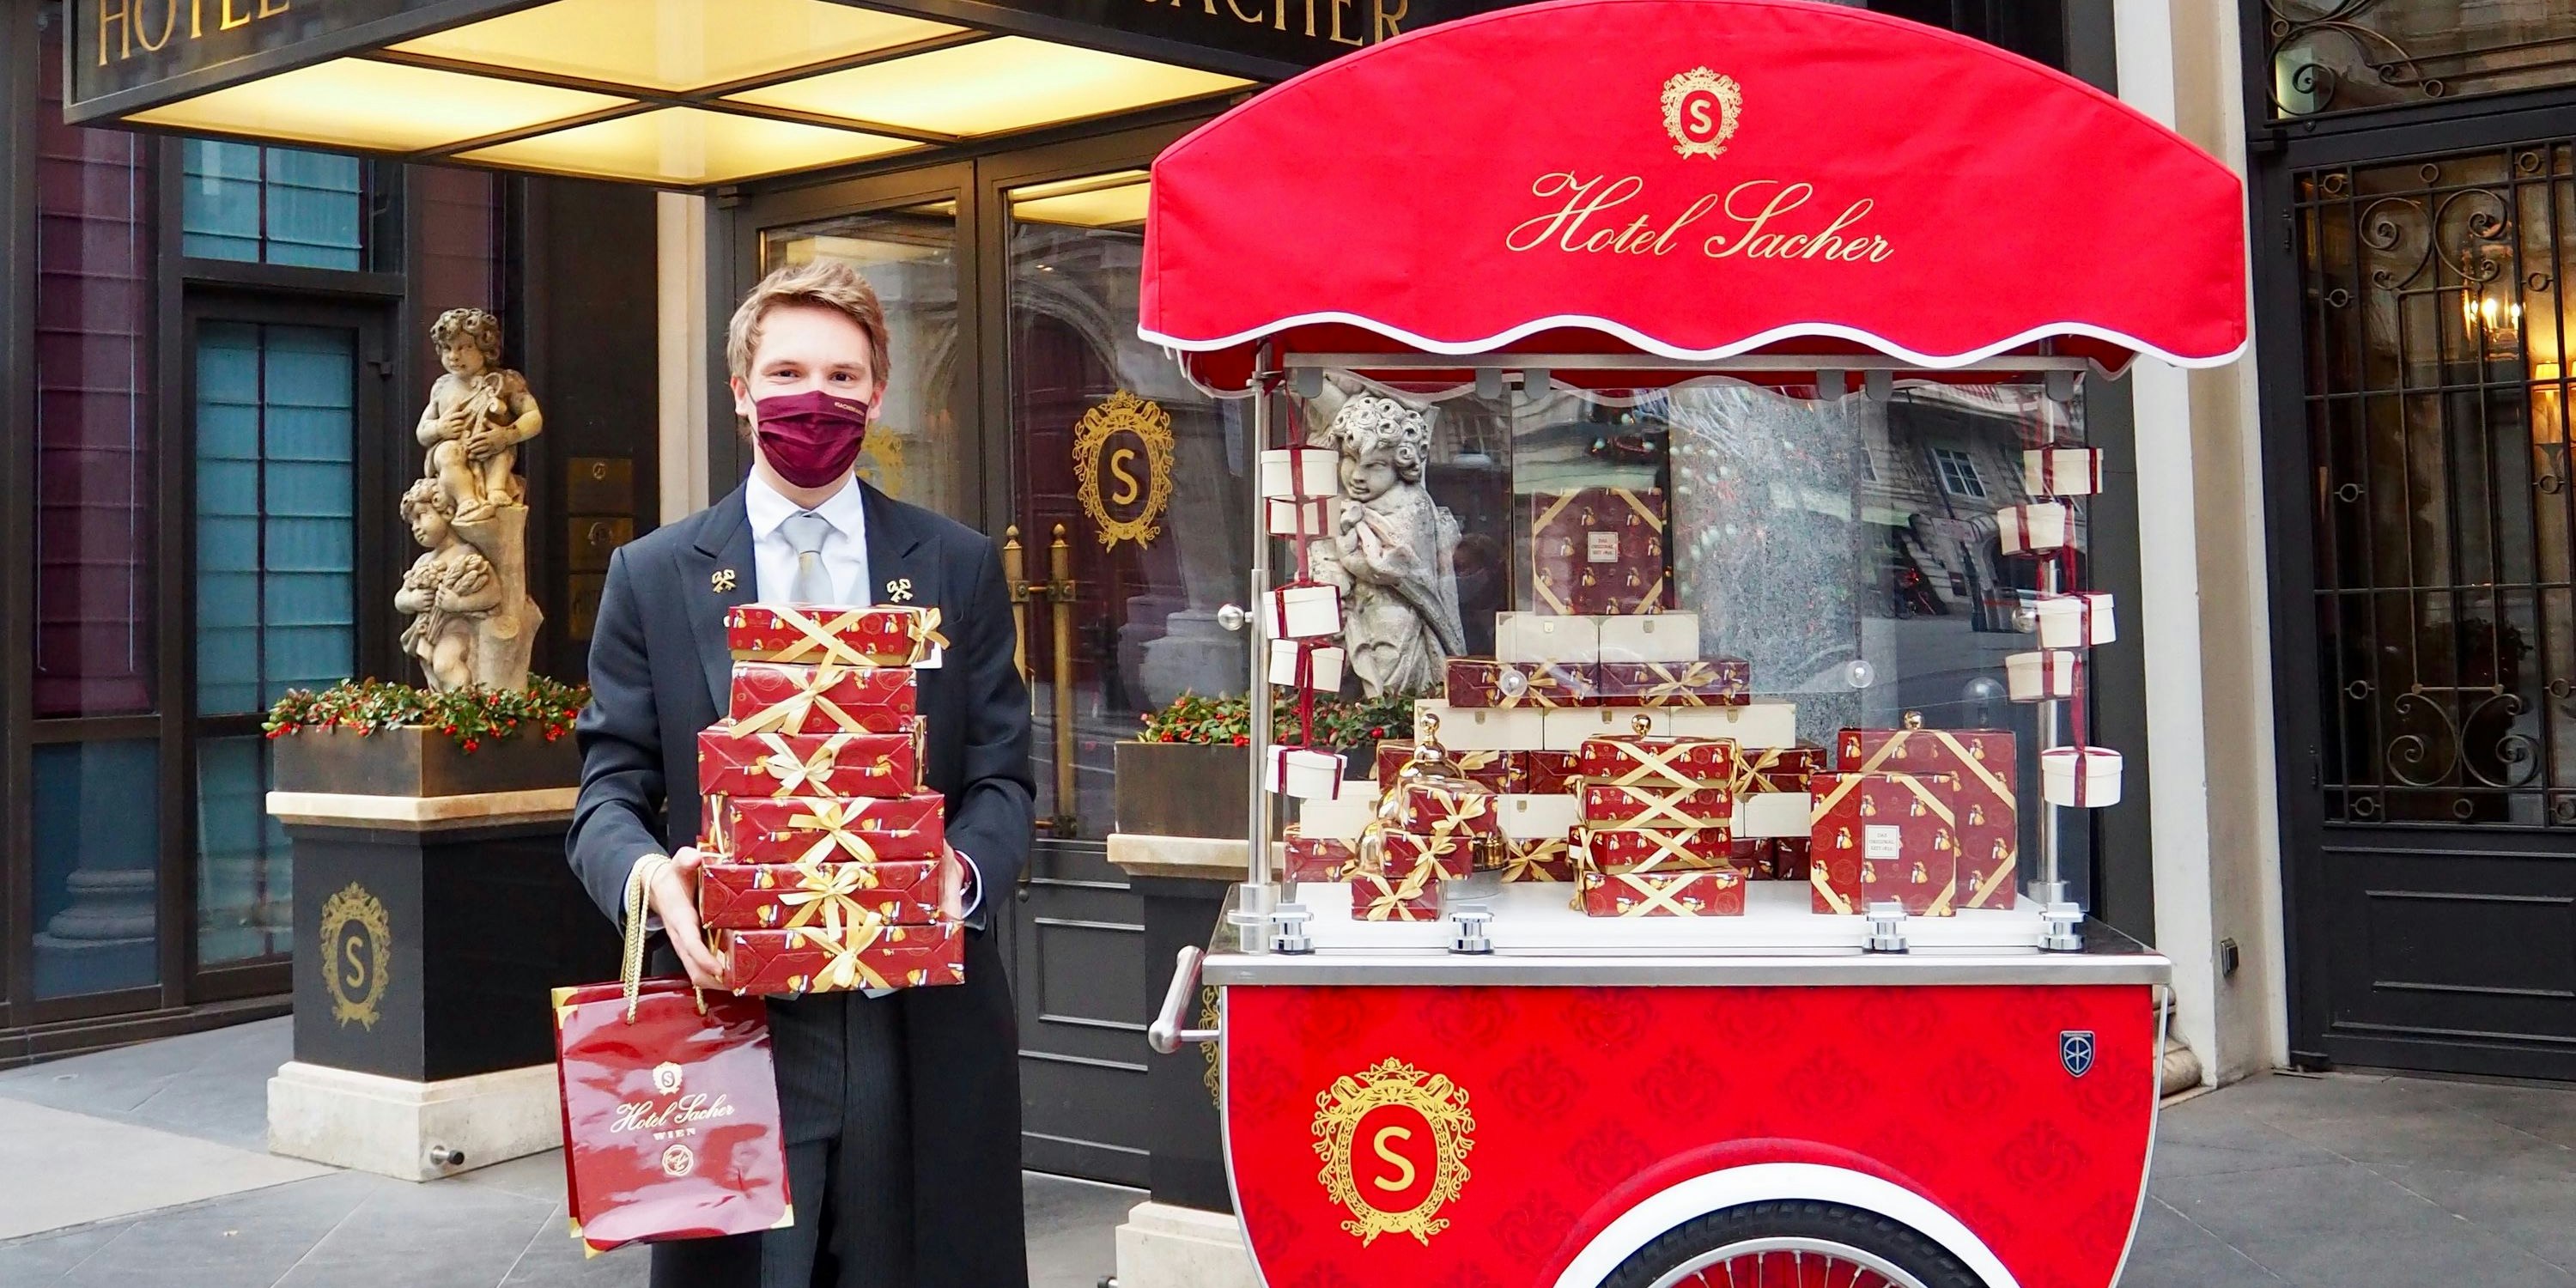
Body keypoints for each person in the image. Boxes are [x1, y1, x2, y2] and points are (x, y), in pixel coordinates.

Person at [567, 259, 1035, 1288]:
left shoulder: (953, 565)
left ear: (876, 393)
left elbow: (1004, 779)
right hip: (738, 1015)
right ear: (741, 393)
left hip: (917, 1017)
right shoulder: (653, 574)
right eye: (785, 373)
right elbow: (607, 792)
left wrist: (947, 882)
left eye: (840, 375)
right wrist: (651, 883)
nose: (811, 400)